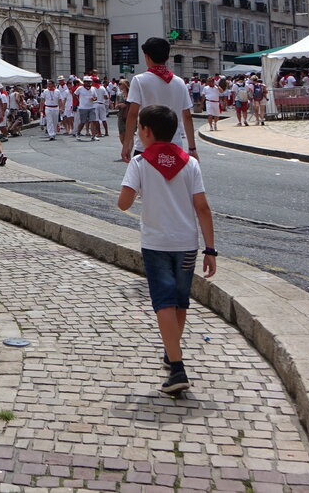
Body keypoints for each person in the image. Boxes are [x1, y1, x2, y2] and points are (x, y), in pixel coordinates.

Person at [118, 104, 217, 394]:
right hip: (187, 242)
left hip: (157, 243)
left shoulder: (139, 163)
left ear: (147, 132)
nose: (137, 133)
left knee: (163, 302)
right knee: (179, 301)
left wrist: (138, 192)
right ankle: (171, 351)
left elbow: (123, 203)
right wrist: (210, 249)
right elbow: (203, 207)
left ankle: (177, 369)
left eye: (138, 129)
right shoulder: (190, 163)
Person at [121, 37, 197, 163]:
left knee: (142, 181)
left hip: (145, 145)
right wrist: (192, 147)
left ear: (147, 57)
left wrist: (126, 144)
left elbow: (132, 114)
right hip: (174, 145)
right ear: (167, 57)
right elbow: (187, 117)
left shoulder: (139, 80)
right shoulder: (180, 82)